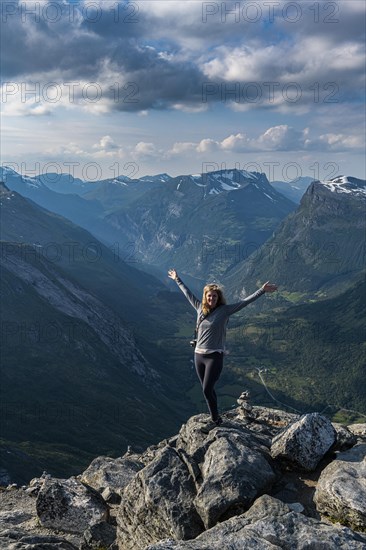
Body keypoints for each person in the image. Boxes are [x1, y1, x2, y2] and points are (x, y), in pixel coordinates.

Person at [168, 269, 277, 432]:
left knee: (206, 388)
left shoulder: (225, 311)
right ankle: (215, 417)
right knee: (207, 390)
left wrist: (262, 290)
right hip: (198, 355)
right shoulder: (199, 308)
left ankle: (214, 419)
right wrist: (177, 279)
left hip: (214, 356)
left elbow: (245, 301)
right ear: (205, 297)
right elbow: (187, 293)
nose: (211, 298)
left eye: (214, 296)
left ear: (218, 298)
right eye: (209, 296)